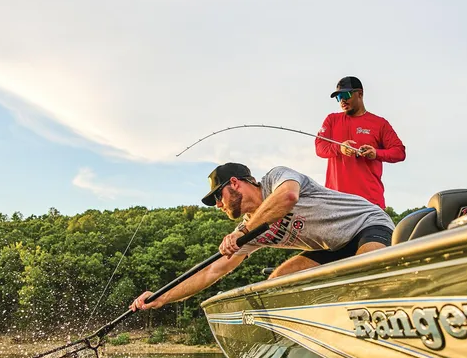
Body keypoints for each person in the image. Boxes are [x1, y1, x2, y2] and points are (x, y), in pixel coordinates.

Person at [130, 162, 395, 312]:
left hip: (366, 224)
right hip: (334, 246)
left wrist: (243, 233)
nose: (218, 206)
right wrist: (163, 297)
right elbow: (211, 272)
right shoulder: (247, 231)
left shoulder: (276, 177)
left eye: (217, 198)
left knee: (364, 272)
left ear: (234, 183)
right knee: (277, 282)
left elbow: (288, 197)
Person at [315, 76, 406, 209]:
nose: (343, 100)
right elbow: (319, 147)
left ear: (360, 94)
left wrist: (376, 153)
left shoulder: (380, 123)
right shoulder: (331, 120)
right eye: (339, 97)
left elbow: (399, 152)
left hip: (370, 203)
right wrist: (339, 148)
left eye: (346, 94)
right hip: (336, 202)